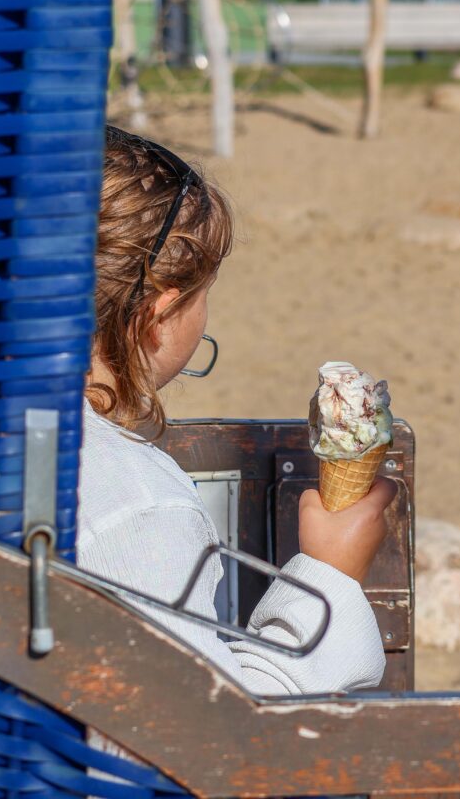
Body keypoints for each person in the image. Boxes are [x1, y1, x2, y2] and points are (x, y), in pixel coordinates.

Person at [78, 125, 396, 696]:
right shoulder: (139, 508)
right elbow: (202, 737)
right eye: (205, 291)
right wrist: (329, 577)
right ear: (160, 313)